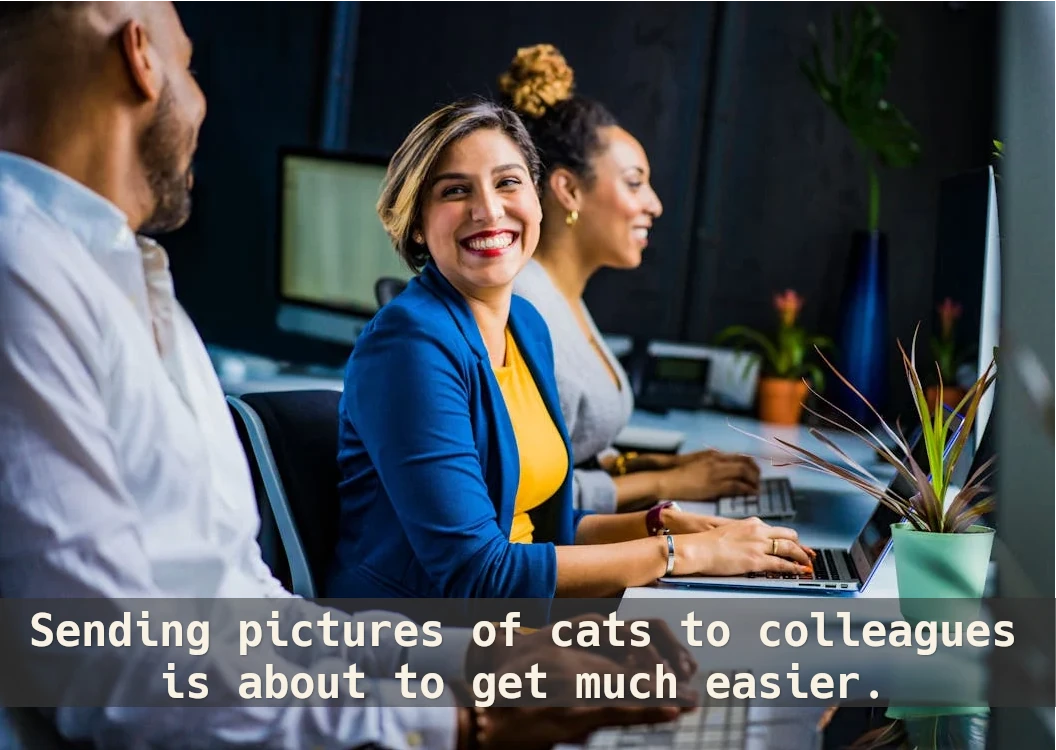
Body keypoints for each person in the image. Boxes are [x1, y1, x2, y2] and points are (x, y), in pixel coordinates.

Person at [0, 2, 694, 747]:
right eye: (191, 66)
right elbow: (99, 666)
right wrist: (461, 719)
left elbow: (243, 611)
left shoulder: (123, 276)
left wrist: (476, 657)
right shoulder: (24, 272)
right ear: (141, 57)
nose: (201, 103)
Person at [327, 99, 814, 602]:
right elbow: (478, 573)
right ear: (415, 225)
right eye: (455, 191)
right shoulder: (409, 346)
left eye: (508, 182)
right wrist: (682, 554)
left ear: (538, 200)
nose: (489, 209)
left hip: (512, 622)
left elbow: (543, 531)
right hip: (411, 639)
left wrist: (660, 525)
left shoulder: (526, 326)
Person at [503, 44, 764, 515]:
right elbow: (530, 497)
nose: (654, 204)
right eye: (634, 182)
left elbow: (572, 453)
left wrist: (653, 465)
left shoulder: (563, 298)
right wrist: (666, 482)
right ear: (568, 189)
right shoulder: (525, 309)